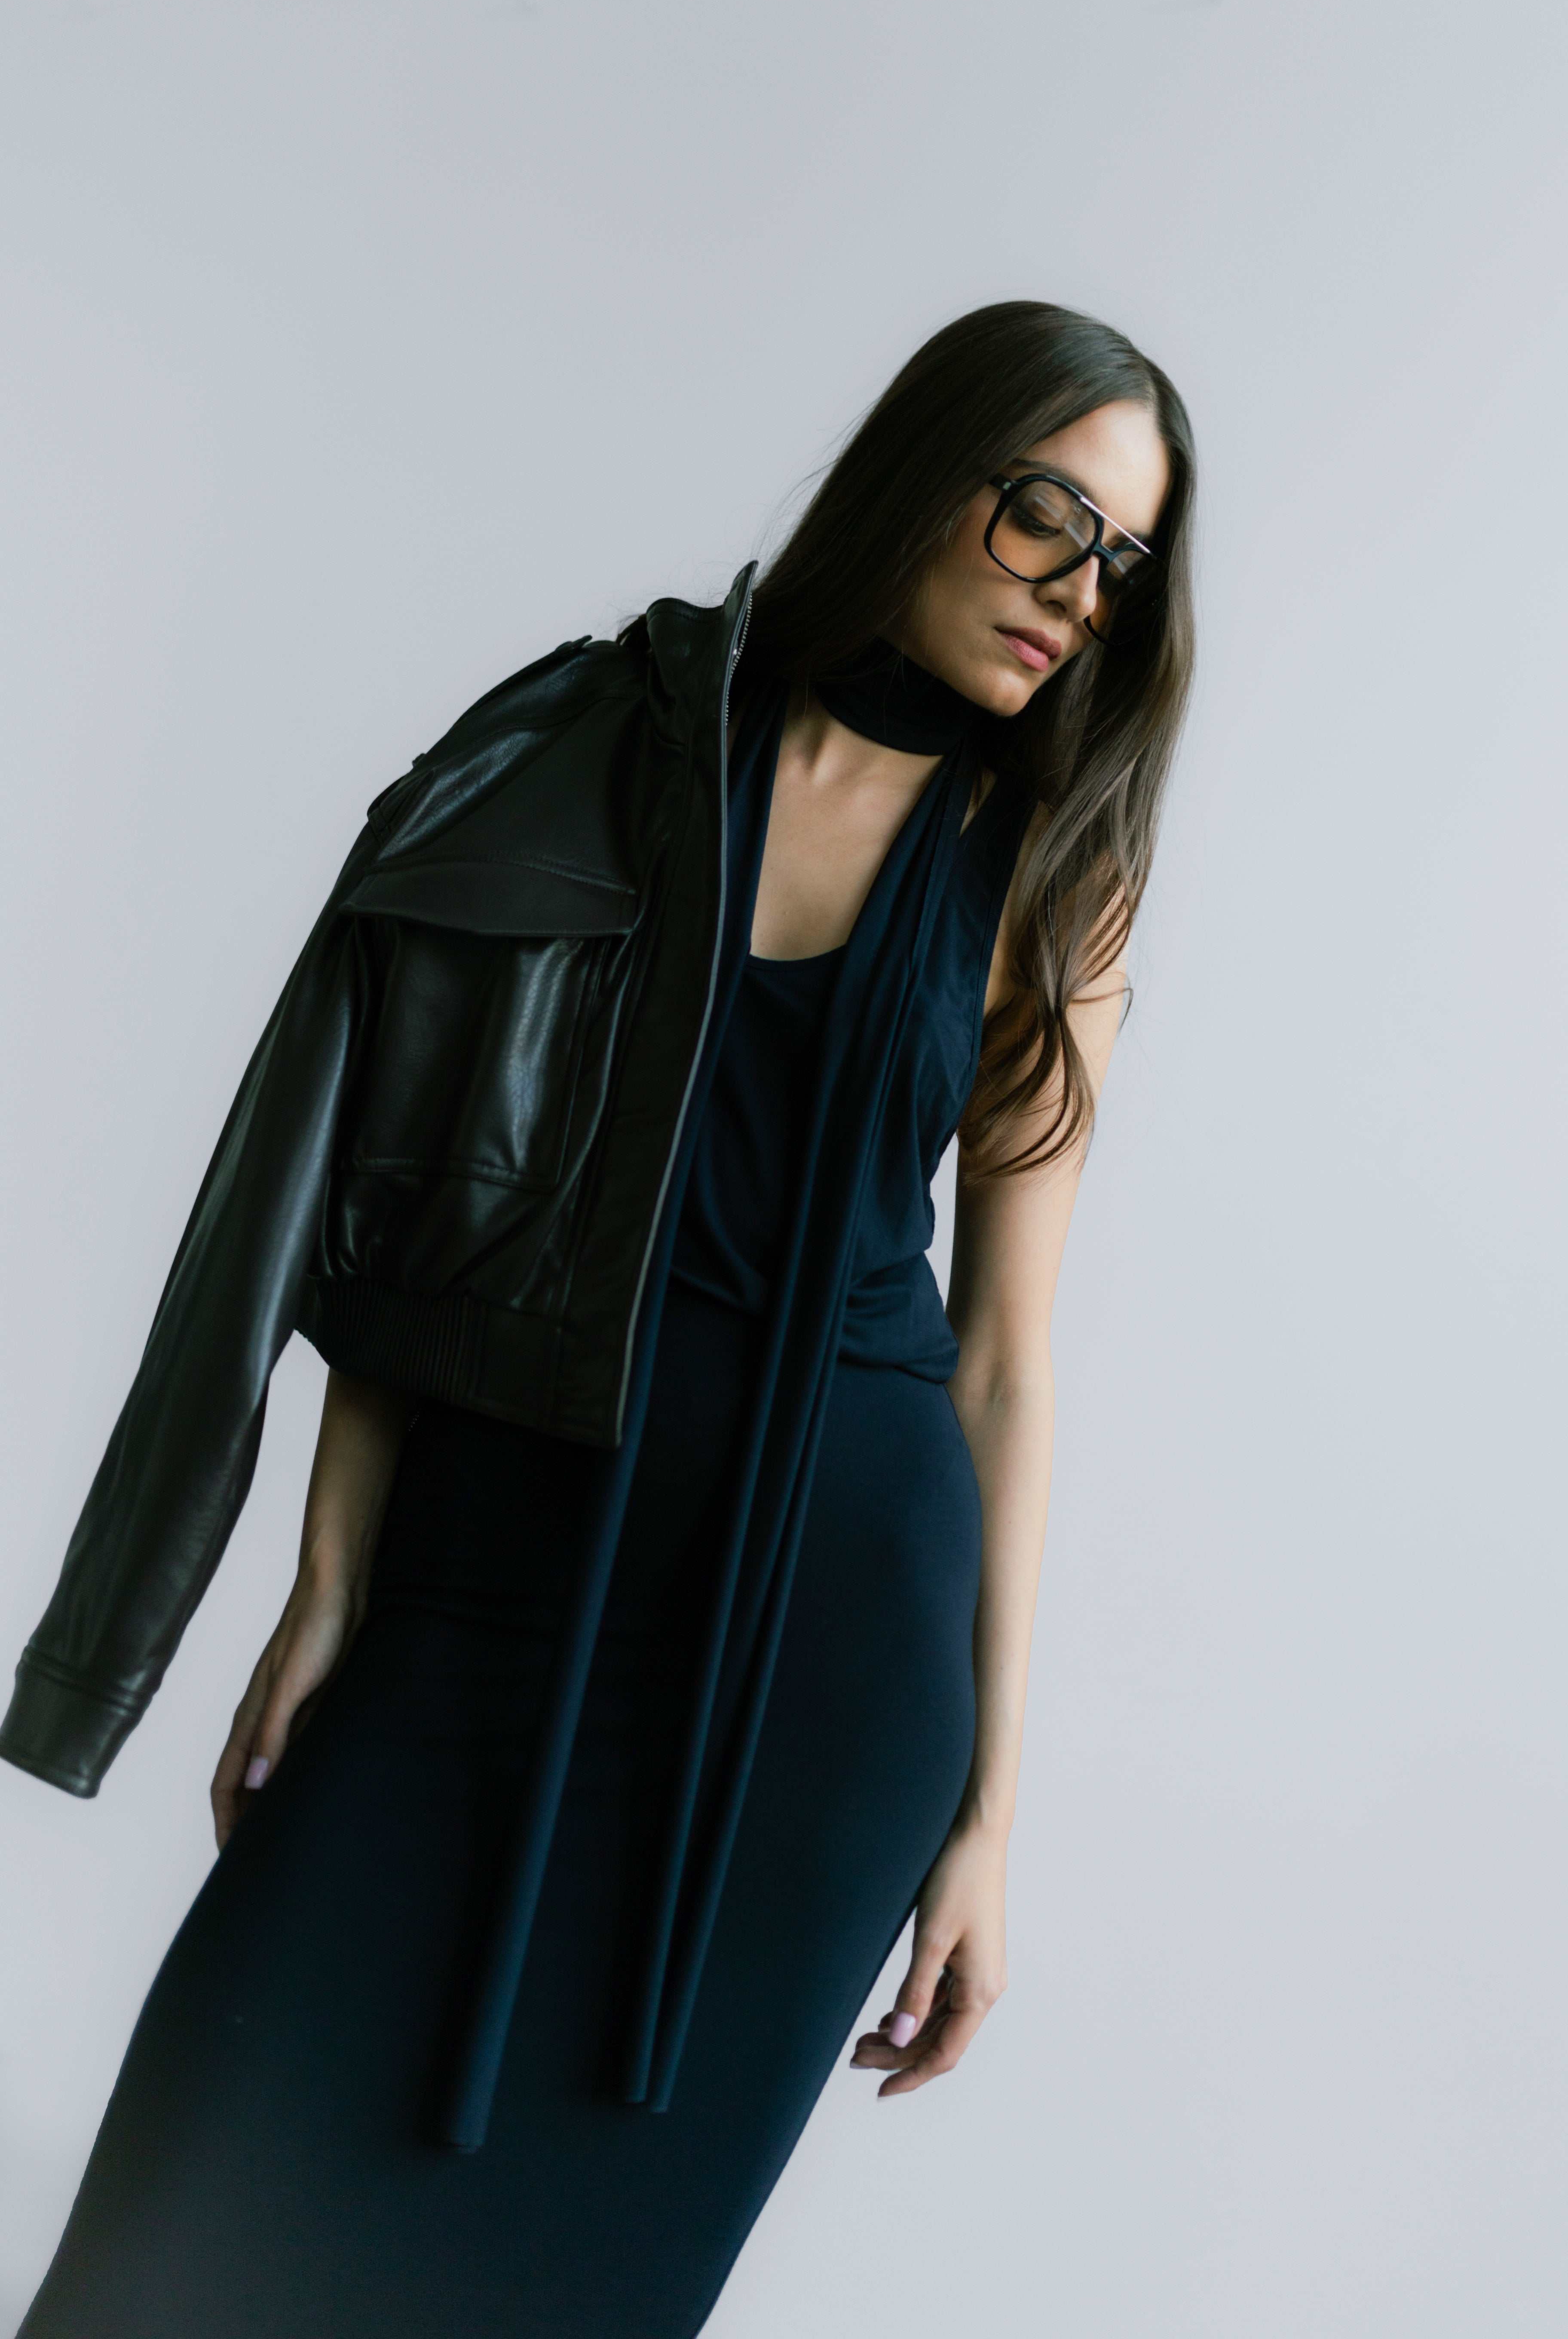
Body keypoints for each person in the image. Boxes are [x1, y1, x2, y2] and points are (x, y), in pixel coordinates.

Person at [3, 298, 1195, 2339]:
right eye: (1046, 519)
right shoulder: (603, 746)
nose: (1080, 595)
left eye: (1126, 562)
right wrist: (331, 1577)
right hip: (485, 1583)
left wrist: (990, 1818)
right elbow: (431, 1195)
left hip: (817, 1674)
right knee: (170, 2262)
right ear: (927, 475)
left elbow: (1006, 1361)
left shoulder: (1050, 873)